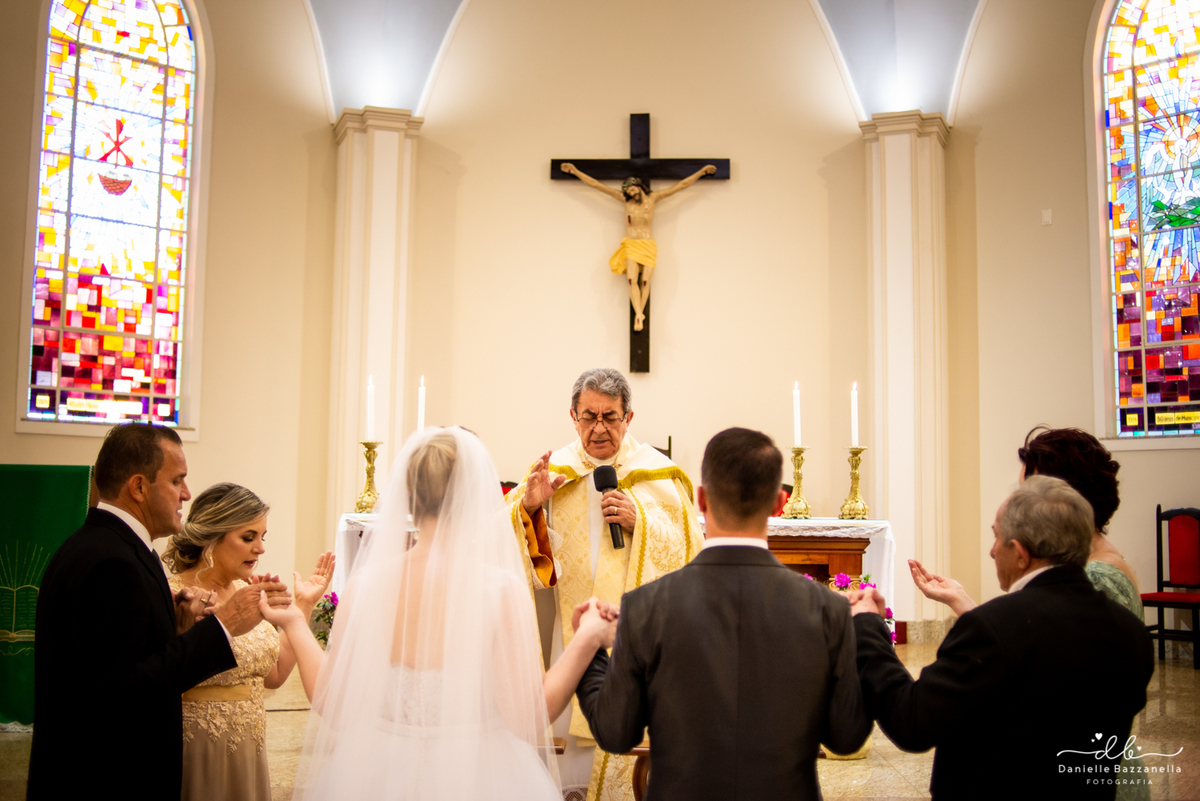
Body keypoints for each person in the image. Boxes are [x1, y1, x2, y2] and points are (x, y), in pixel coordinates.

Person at [259, 427, 618, 801]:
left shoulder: (366, 585)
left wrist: (296, 623)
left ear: (408, 496)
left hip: (377, 773)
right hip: (481, 773)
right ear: (474, 495)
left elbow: (334, 707)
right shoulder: (497, 590)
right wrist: (587, 637)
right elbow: (528, 718)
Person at [575, 427, 871, 800]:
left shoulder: (645, 607)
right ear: (778, 502)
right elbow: (846, 737)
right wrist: (869, 632)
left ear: (701, 499)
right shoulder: (828, 608)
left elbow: (616, 732)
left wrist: (591, 650)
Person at [27, 423, 292, 799]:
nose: (186, 493)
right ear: (138, 487)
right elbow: (122, 694)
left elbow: (115, 663)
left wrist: (177, 631)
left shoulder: (103, 546)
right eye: (177, 480)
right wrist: (224, 625)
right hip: (106, 778)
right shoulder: (111, 562)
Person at [849, 475, 1154, 800]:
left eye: (997, 538)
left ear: (1021, 554)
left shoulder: (992, 627)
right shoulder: (1131, 632)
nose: (992, 551)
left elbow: (912, 722)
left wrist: (868, 627)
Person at [507, 367, 704, 799]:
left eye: (610, 417)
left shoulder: (657, 474)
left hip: (635, 639)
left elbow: (691, 549)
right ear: (573, 417)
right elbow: (504, 540)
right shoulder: (551, 472)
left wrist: (642, 522)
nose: (599, 428)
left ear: (628, 418)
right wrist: (530, 508)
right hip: (567, 635)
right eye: (589, 416)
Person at [161, 482, 336, 801]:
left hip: (248, 751)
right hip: (197, 749)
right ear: (212, 537)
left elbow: (274, 675)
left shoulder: (246, 592)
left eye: (262, 537)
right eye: (248, 537)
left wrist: (303, 605)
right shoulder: (174, 597)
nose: (260, 548)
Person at [909, 426, 1142, 619]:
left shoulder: (1095, 577)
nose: (1019, 506)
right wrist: (959, 598)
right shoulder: (1088, 562)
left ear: (1063, 497)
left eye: (1027, 494)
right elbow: (1027, 640)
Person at [560, 162, 716, 330]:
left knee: (646, 281)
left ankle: (640, 313)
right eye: (628, 192)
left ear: (639, 186)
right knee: (631, 280)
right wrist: (575, 172)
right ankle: (639, 315)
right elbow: (597, 185)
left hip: (647, 245)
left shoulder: (654, 198)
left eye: (633, 190)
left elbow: (681, 185)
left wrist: (701, 172)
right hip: (631, 245)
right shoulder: (624, 200)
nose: (631, 193)